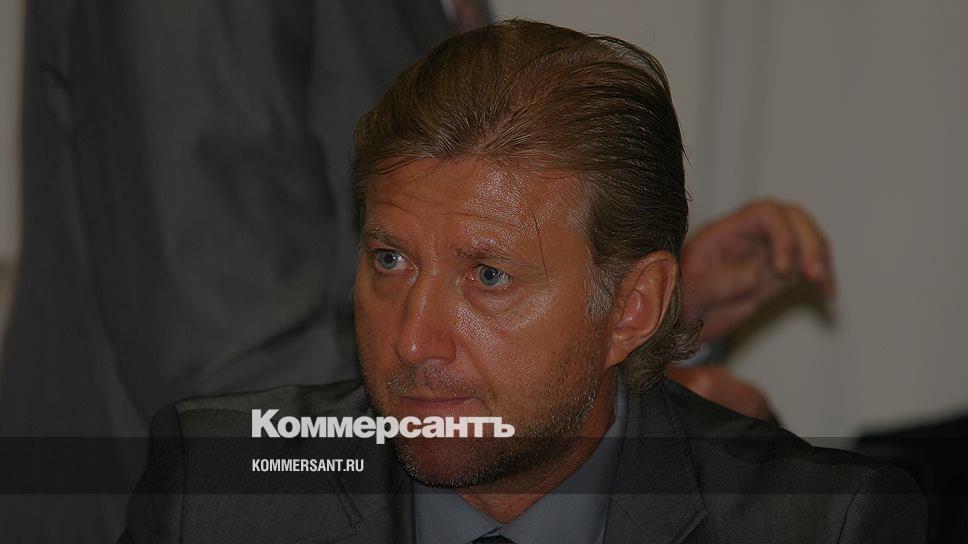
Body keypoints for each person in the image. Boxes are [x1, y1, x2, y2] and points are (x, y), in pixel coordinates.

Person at [119, 20, 924, 543]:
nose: (413, 342)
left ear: (633, 306)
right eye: (391, 261)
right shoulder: (220, 491)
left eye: (489, 275)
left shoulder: (821, 526)